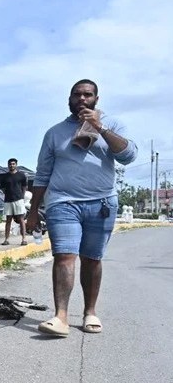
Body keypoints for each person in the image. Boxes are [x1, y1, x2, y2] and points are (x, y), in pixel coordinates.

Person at [26, 79, 137, 337]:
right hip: (63, 202)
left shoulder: (114, 125)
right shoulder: (54, 133)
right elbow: (42, 174)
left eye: (88, 95)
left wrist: (100, 127)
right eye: (77, 95)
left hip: (102, 203)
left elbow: (128, 156)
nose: (82, 99)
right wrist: (33, 211)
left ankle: (90, 312)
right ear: (69, 99)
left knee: (92, 259)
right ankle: (60, 317)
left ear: (96, 99)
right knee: (64, 256)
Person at [0, 158, 28, 245]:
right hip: (8, 200)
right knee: (8, 220)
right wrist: (8, 194)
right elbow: (3, 188)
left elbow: (24, 187)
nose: (11, 165)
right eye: (10, 164)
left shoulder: (21, 175)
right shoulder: (5, 176)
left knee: (21, 219)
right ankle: (6, 239)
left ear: (16, 165)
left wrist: (22, 197)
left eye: (13, 164)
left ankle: (24, 239)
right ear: (8, 165)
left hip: (19, 200)